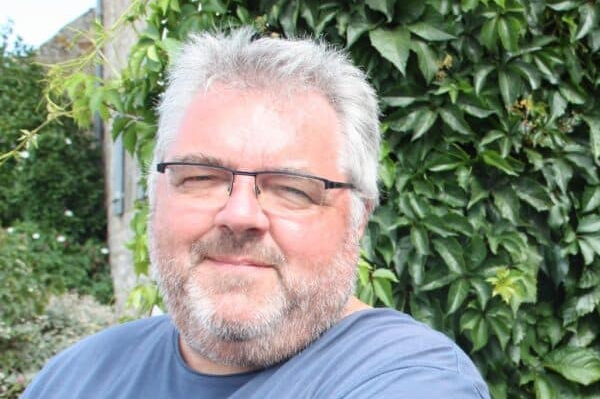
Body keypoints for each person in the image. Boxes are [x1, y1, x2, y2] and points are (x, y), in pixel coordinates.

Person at [23, 28, 490, 398]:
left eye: (290, 189)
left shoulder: (409, 379)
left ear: (357, 221)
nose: (240, 214)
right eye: (201, 177)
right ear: (155, 195)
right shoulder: (73, 376)